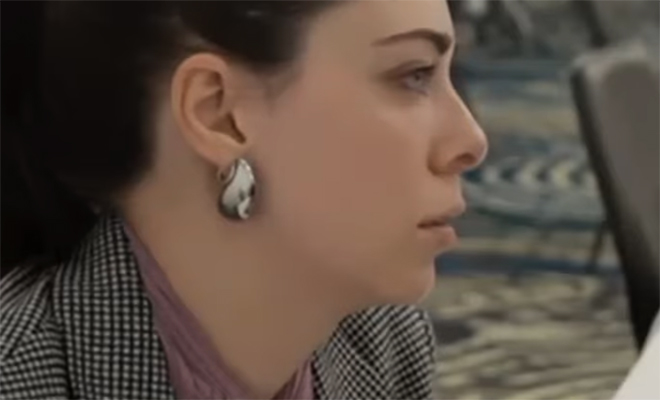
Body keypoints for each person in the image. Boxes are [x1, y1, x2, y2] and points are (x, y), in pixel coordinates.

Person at [0, 1, 487, 399]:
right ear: (219, 114)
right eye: (414, 74)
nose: (472, 141)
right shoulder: (21, 377)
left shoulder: (384, 345)